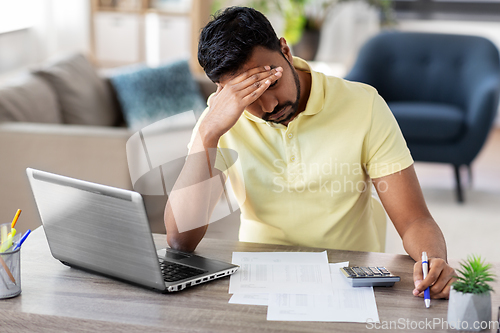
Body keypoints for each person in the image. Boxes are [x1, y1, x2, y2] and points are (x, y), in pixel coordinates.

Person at [164, 6, 455, 299]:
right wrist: (207, 133)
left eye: (271, 82)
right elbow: (180, 240)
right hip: (260, 274)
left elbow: (414, 219)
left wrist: (434, 261)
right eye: (249, 94)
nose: (268, 106)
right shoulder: (220, 121)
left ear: (285, 51)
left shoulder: (363, 105)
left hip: (351, 274)